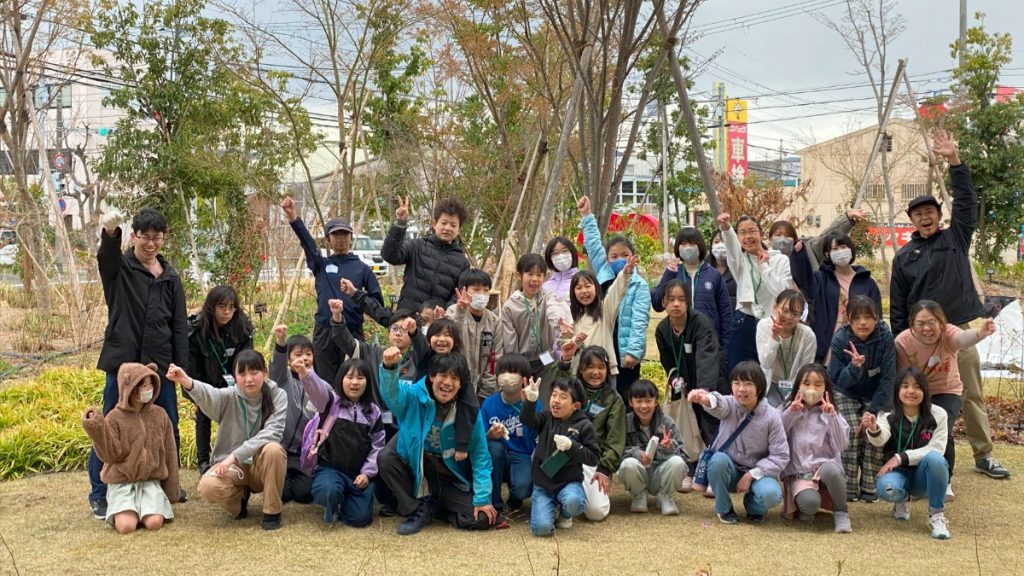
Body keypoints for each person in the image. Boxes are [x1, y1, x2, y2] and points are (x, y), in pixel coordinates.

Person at [889, 129, 1009, 480]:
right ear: (911, 220)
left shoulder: (955, 237)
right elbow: (898, 306)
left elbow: (967, 202)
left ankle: (984, 454)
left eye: (930, 211)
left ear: (939, 215)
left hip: (958, 331)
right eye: (918, 213)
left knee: (970, 393)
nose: (925, 217)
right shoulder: (904, 257)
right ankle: (918, 455)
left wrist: (955, 161)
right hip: (919, 339)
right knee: (918, 397)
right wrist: (903, 341)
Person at [91, 207, 188, 519]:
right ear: (133, 236)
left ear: (164, 239)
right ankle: (100, 494)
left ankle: (169, 487)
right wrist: (110, 234)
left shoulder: (170, 277)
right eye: (145, 236)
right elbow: (106, 258)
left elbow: (179, 325)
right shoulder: (120, 269)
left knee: (167, 426)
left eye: (157, 237)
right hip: (122, 365)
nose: (151, 243)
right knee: (108, 426)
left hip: (160, 367)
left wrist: (180, 368)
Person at [377, 351, 501, 535]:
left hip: (448, 479)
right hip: (418, 474)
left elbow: (480, 457)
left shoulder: (468, 412)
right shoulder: (414, 397)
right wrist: (389, 368)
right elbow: (392, 396)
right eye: (443, 375)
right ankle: (417, 509)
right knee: (386, 457)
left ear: (461, 384)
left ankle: (436, 509)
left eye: (454, 378)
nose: (448, 383)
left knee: (481, 518)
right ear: (432, 376)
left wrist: (482, 498)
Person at [166, 351, 289, 530]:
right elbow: (209, 394)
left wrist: (233, 456)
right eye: (242, 374)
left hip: (260, 466)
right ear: (235, 376)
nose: (249, 379)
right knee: (207, 486)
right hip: (234, 469)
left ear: (265, 372)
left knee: (274, 449)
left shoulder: (278, 395)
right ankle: (239, 503)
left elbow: (273, 432)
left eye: (254, 372)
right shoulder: (229, 396)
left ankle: (272, 511)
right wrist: (186, 381)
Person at [895, 300, 996, 499]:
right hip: (917, 391)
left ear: (941, 322)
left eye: (931, 322)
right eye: (920, 323)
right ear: (912, 324)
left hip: (947, 390)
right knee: (916, 431)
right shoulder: (902, 342)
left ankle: (945, 480)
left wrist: (980, 333)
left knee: (942, 429)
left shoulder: (948, 333)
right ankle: (918, 482)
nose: (926, 328)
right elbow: (905, 376)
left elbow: (962, 338)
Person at [279, 197, 383, 382]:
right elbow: (309, 245)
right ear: (328, 240)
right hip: (325, 331)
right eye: (336, 234)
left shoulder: (363, 269)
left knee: (352, 379)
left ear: (351, 237)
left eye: (345, 233)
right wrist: (294, 218)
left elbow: (376, 304)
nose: (341, 237)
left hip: (351, 330)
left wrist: (359, 298)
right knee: (325, 382)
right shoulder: (321, 265)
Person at [688, 361, 789, 524]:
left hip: (758, 474)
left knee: (771, 494)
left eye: (748, 383)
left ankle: (754, 507)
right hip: (730, 471)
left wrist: (750, 475)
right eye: (736, 383)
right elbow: (718, 403)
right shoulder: (730, 404)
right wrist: (705, 399)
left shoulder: (772, 417)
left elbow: (780, 456)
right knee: (718, 460)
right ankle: (724, 508)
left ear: (759, 387)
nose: (741, 389)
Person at [82, 362, 179, 534]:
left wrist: (172, 490)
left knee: (154, 523)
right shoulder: (115, 417)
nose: (148, 389)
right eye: (144, 385)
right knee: (126, 526)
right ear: (131, 388)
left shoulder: (160, 415)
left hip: (150, 481)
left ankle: (146, 508)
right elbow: (109, 454)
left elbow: (170, 454)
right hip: (122, 482)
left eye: (150, 384)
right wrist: (97, 428)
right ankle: (128, 510)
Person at [295, 358, 385, 527]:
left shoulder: (373, 412)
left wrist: (367, 473)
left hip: (358, 473)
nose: (354, 382)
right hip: (330, 468)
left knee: (360, 519)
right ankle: (332, 504)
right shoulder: (330, 403)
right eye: (349, 377)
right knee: (328, 491)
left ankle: (346, 502)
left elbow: (377, 446)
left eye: (360, 378)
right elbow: (316, 391)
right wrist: (306, 374)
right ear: (341, 379)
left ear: (368, 382)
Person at [865, 367, 952, 540]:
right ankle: (902, 500)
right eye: (905, 386)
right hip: (897, 474)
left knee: (936, 459)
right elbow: (880, 439)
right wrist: (873, 429)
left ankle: (936, 516)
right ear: (897, 390)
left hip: (924, 475)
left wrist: (900, 457)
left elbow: (937, 448)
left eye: (917, 387)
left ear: (925, 391)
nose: (911, 391)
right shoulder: (887, 413)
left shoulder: (938, 414)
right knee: (888, 489)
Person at [578, 195, 651, 396]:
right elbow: (593, 244)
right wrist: (587, 215)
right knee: (600, 390)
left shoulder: (639, 285)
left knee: (625, 393)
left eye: (625, 255)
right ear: (607, 259)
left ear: (633, 257)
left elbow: (639, 320)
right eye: (614, 256)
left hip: (624, 349)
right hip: (602, 343)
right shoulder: (604, 273)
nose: (620, 259)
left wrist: (633, 352)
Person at [653, 278, 720, 493]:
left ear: (688, 301)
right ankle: (688, 471)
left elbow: (707, 356)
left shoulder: (701, 323)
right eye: (671, 299)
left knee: (708, 425)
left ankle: (713, 475)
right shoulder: (662, 329)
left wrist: (703, 390)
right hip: (681, 384)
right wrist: (675, 378)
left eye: (681, 299)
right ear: (663, 302)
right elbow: (667, 359)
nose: (676, 304)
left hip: (706, 383)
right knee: (684, 427)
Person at [827, 295, 896, 503]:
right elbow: (835, 378)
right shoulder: (840, 339)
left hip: (876, 393)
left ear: (877, 318)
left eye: (868, 317)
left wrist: (872, 412)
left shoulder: (885, 337)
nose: (863, 322)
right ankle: (847, 487)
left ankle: (870, 486)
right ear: (849, 320)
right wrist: (854, 367)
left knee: (874, 431)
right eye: (857, 318)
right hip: (846, 391)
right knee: (850, 432)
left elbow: (888, 378)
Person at [521, 376, 600, 537]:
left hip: (568, 482)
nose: (556, 400)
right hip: (543, 485)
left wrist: (572, 446)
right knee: (542, 529)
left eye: (563, 397)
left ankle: (565, 513)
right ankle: (552, 509)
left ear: (576, 406)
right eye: (554, 394)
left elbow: (593, 457)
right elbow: (527, 420)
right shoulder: (546, 418)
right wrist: (530, 401)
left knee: (574, 502)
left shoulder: (584, 425)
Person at [188, 285, 255, 474]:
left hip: (233, 380)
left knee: (237, 413)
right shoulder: (196, 331)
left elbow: (246, 360)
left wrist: (241, 386)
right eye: (222, 306)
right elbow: (192, 367)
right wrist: (199, 392)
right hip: (204, 378)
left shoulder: (242, 327)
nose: (227, 312)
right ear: (212, 307)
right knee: (203, 413)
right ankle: (203, 461)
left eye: (231, 307)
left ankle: (237, 456)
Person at [777, 364, 852, 533]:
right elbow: (776, 438)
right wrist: (791, 414)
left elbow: (842, 444)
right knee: (810, 504)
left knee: (831, 471)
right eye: (806, 383)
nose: (812, 389)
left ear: (826, 388)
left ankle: (841, 512)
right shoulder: (786, 408)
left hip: (825, 470)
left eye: (818, 384)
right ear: (798, 386)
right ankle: (803, 505)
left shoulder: (832, 411)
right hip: (800, 474)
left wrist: (831, 417)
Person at [716, 213, 793, 371]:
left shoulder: (780, 260)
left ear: (761, 233)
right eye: (742, 233)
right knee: (739, 372)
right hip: (744, 321)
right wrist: (726, 229)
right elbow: (732, 249)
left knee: (767, 371)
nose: (748, 237)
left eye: (752, 231)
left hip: (772, 322)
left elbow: (782, 293)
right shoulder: (740, 261)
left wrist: (764, 267)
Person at [792, 232, 882, 364]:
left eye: (843, 247)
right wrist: (799, 256)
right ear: (827, 254)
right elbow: (804, 281)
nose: (840, 251)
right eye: (835, 249)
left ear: (851, 249)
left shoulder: (867, 282)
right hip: (825, 349)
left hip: (856, 351)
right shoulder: (821, 279)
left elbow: (877, 317)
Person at [563, 344, 626, 522]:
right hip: (565, 455)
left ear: (607, 370)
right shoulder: (570, 390)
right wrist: (565, 359)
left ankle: (577, 494)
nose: (596, 372)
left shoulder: (614, 399)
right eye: (590, 367)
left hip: (592, 460)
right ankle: (566, 497)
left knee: (596, 512)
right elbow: (558, 379)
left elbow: (616, 440)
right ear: (581, 369)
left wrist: (604, 469)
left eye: (601, 367)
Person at [652, 226, 733, 357]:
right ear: (678, 247)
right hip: (680, 339)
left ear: (700, 246)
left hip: (708, 341)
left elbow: (725, 313)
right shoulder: (674, 273)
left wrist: (724, 349)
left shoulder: (713, 275)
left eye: (692, 243)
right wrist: (669, 274)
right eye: (683, 244)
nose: (688, 247)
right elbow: (657, 304)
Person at [381, 196, 470, 313]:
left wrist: (444, 314)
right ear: (434, 223)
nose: (447, 228)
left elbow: (457, 295)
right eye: (444, 223)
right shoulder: (417, 246)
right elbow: (390, 256)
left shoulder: (462, 262)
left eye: (453, 225)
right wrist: (400, 224)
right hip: (407, 317)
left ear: (459, 230)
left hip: (437, 321)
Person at [498, 254, 571, 393]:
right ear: (520, 276)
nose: (534, 279)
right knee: (523, 398)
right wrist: (515, 367)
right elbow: (509, 342)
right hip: (521, 362)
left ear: (544, 277)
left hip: (546, 358)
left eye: (539, 275)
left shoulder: (548, 298)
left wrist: (560, 322)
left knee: (546, 396)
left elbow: (557, 309)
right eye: (530, 274)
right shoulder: (510, 306)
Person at [618, 379, 688, 515]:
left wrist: (669, 447)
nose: (644, 406)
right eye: (638, 401)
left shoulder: (667, 422)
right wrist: (636, 453)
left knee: (677, 462)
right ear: (630, 402)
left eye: (648, 401)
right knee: (628, 463)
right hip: (638, 472)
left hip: (660, 473)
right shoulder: (624, 422)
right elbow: (618, 451)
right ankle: (639, 495)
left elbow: (683, 457)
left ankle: (665, 496)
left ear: (656, 402)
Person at [480, 354, 538, 514]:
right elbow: (479, 438)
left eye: (513, 372)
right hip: (498, 455)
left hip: (522, 455)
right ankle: (495, 503)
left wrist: (529, 406)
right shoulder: (489, 403)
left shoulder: (533, 403)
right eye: (503, 371)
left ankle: (515, 497)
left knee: (522, 490)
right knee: (494, 448)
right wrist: (490, 435)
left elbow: (539, 430)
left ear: (524, 378)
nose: (507, 376)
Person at [566, 255, 637, 381]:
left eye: (588, 286)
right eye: (579, 288)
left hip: (605, 372)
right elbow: (564, 345)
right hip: (580, 373)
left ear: (596, 288)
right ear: (573, 292)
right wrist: (575, 341)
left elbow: (616, 292)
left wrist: (625, 274)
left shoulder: (605, 310)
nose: (584, 291)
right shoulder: (570, 315)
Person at [268, 325, 316, 505]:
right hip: (282, 449)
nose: (304, 358)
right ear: (288, 360)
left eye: (308, 354)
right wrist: (281, 342)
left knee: (304, 495)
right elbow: (276, 367)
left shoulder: (317, 382)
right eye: (298, 354)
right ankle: (285, 474)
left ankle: (299, 474)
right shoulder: (282, 379)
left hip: (304, 453)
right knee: (284, 494)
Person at [756, 290, 816, 407]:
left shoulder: (807, 335)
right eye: (785, 311)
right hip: (770, 382)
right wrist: (773, 338)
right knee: (772, 411)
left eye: (795, 314)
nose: (789, 317)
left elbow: (805, 370)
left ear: (801, 316)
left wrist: (794, 395)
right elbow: (766, 363)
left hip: (796, 385)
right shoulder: (764, 326)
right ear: (775, 307)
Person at [448, 269, 501, 400]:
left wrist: (486, 391)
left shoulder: (494, 321)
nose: (482, 294)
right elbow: (451, 343)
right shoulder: (452, 313)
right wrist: (460, 314)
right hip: (454, 387)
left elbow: (495, 357)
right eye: (476, 290)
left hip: (483, 391)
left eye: (486, 290)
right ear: (464, 291)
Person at [542, 236, 579, 304]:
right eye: (555, 253)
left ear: (572, 253)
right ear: (550, 258)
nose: (561, 256)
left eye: (565, 251)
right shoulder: (544, 287)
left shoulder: (581, 282)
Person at [706, 229, 737, 310]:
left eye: (725, 242)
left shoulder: (739, 268)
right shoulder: (703, 268)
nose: (720, 245)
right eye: (716, 242)